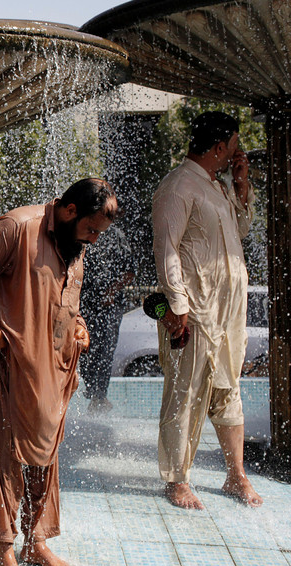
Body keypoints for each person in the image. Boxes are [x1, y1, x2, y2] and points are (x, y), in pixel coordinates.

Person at [0, 178, 117, 566]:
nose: (95, 240)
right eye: (91, 230)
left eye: (100, 233)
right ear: (68, 211)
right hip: (7, 364)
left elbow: (66, 304)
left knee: (48, 456)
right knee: (4, 455)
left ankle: (36, 541)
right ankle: (4, 550)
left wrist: (78, 329)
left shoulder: (75, 248)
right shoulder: (16, 227)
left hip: (54, 369)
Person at [151, 111, 262, 510]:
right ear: (218, 148)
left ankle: (237, 475)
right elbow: (166, 251)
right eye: (234, 147)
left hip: (228, 311)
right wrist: (177, 307)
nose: (237, 154)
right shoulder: (178, 187)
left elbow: (244, 229)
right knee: (186, 392)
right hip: (192, 312)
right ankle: (177, 480)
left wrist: (243, 182)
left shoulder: (219, 186)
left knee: (229, 388)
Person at [78, 224, 135, 412]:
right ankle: (92, 393)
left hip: (109, 306)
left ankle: (100, 396)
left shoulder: (116, 235)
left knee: (105, 350)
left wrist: (111, 291)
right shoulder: (81, 231)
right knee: (85, 349)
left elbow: (130, 272)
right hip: (85, 304)